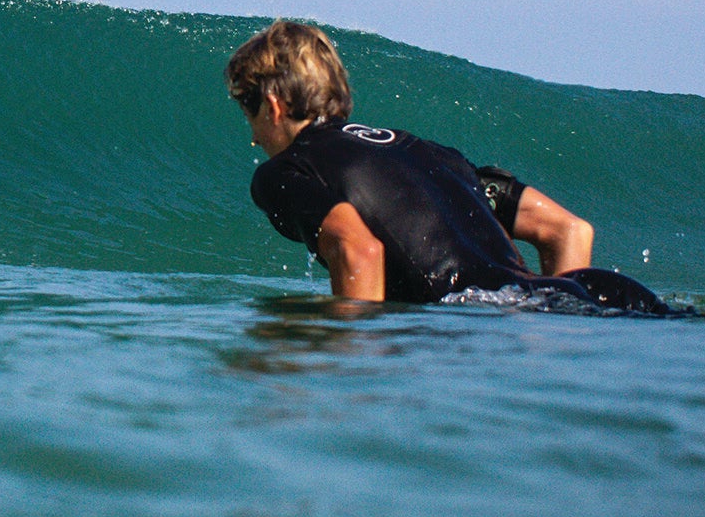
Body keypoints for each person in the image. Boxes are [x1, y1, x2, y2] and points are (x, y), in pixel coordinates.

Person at [226, 20, 668, 314]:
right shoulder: (428, 152)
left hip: (493, 311)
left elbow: (359, 250)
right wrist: (551, 348)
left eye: (249, 114)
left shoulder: (287, 171)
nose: (253, 137)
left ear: (273, 105)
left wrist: (352, 372)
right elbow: (568, 230)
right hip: (592, 290)